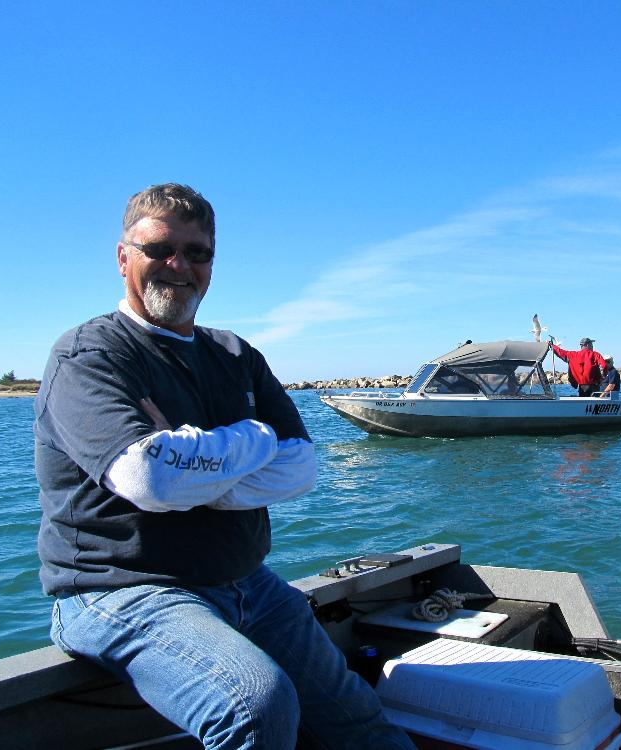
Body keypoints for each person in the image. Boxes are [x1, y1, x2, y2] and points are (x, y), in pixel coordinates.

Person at [35, 183, 415, 750]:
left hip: (247, 582)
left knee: (360, 719)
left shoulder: (235, 354)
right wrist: (253, 440)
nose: (178, 265)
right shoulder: (89, 356)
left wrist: (202, 474)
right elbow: (148, 479)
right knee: (255, 703)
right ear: (122, 258)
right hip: (118, 590)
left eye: (197, 253)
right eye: (158, 248)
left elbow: (300, 468)